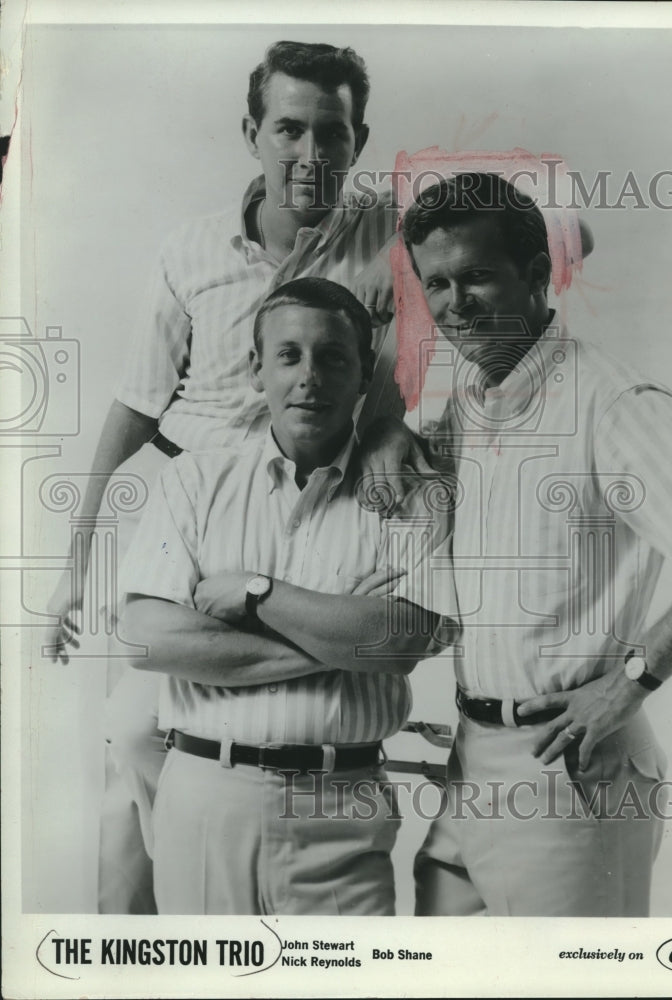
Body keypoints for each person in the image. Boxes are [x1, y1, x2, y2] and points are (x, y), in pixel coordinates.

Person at [42, 39, 412, 914]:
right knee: (134, 731)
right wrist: (74, 561)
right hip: (187, 514)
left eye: (333, 133)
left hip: (311, 510)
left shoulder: (388, 242)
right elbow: (134, 407)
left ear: (359, 141)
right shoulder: (190, 250)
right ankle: (139, 945)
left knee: (305, 704)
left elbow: (417, 355)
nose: (310, 156)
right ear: (253, 132)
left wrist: (391, 429)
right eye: (289, 129)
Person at [379, 171, 672, 917]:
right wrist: (393, 431)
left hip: (569, 771)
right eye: (440, 284)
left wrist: (631, 685)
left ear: (535, 275)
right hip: (470, 766)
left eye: (479, 277)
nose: (457, 303)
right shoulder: (469, 402)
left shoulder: (611, 403)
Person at [118, 277, 457, 914]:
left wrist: (256, 594)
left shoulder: (407, 491)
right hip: (206, 799)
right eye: (288, 355)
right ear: (256, 370)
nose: (310, 376)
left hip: (343, 806)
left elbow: (401, 641)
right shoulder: (194, 479)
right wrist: (343, 635)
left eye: (334, 357)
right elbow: (146, 637)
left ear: (363, 376)